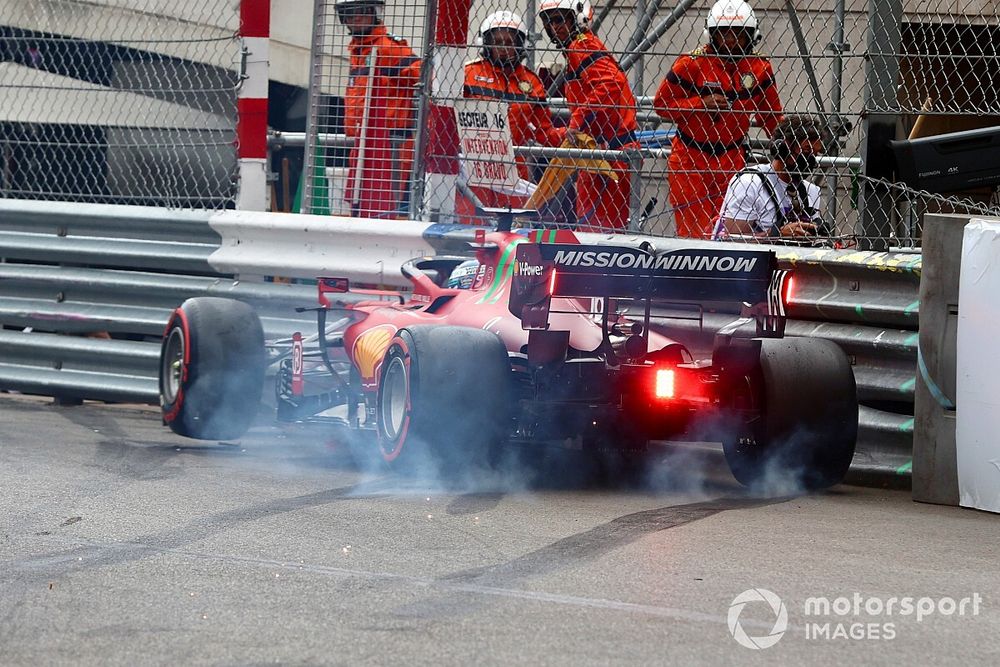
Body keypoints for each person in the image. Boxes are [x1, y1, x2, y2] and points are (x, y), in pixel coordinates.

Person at [654, 0, 783, 238]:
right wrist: (699, 105)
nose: (731, 41)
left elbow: (772, 119)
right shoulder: (691, 64)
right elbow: (661, 106)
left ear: (751, 36)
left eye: (738, 34)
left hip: (732, 159)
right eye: (724, 34)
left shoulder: (759, 68)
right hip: (690, 159)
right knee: (694, 234)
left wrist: (790, 144)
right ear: (712, 35)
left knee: (730, 232)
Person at [538, 0, 639, 230]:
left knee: (599, 233)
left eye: (560, 19)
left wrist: (576, 121)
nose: (554, 27)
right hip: (600, 152)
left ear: (578, 17)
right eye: (549, 21)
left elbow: (610, 84)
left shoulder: (580, 46)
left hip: (610, 154)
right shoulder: (578, 47)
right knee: (596, 230)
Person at [462, 11, 564, 209]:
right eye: (497, 42)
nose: (503, 49)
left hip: (514, 169)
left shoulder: (531, 82)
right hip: (474, 164)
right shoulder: (468, 73)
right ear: (486, 44)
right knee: (470, 228)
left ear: (520, 46)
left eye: (509, 43)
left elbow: (545, 132)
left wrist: (570, 136)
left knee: (514, 227)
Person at [337, 0, 421, 217]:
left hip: (390, 142)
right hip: (365, 142)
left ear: (373, 13)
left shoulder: (386, 47)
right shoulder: (360, 49)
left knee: (384, 208)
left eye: (361, 12)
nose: (355, 17)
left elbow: (422, 76)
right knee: (362, 206)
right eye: (349, 13)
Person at [713, 115, 828, 240]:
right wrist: (775, 234)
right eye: (806, 151)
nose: (810, 159)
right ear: (783, 148)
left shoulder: (810, 191)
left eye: (815, 154)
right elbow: (731, 241)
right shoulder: (750, 182)